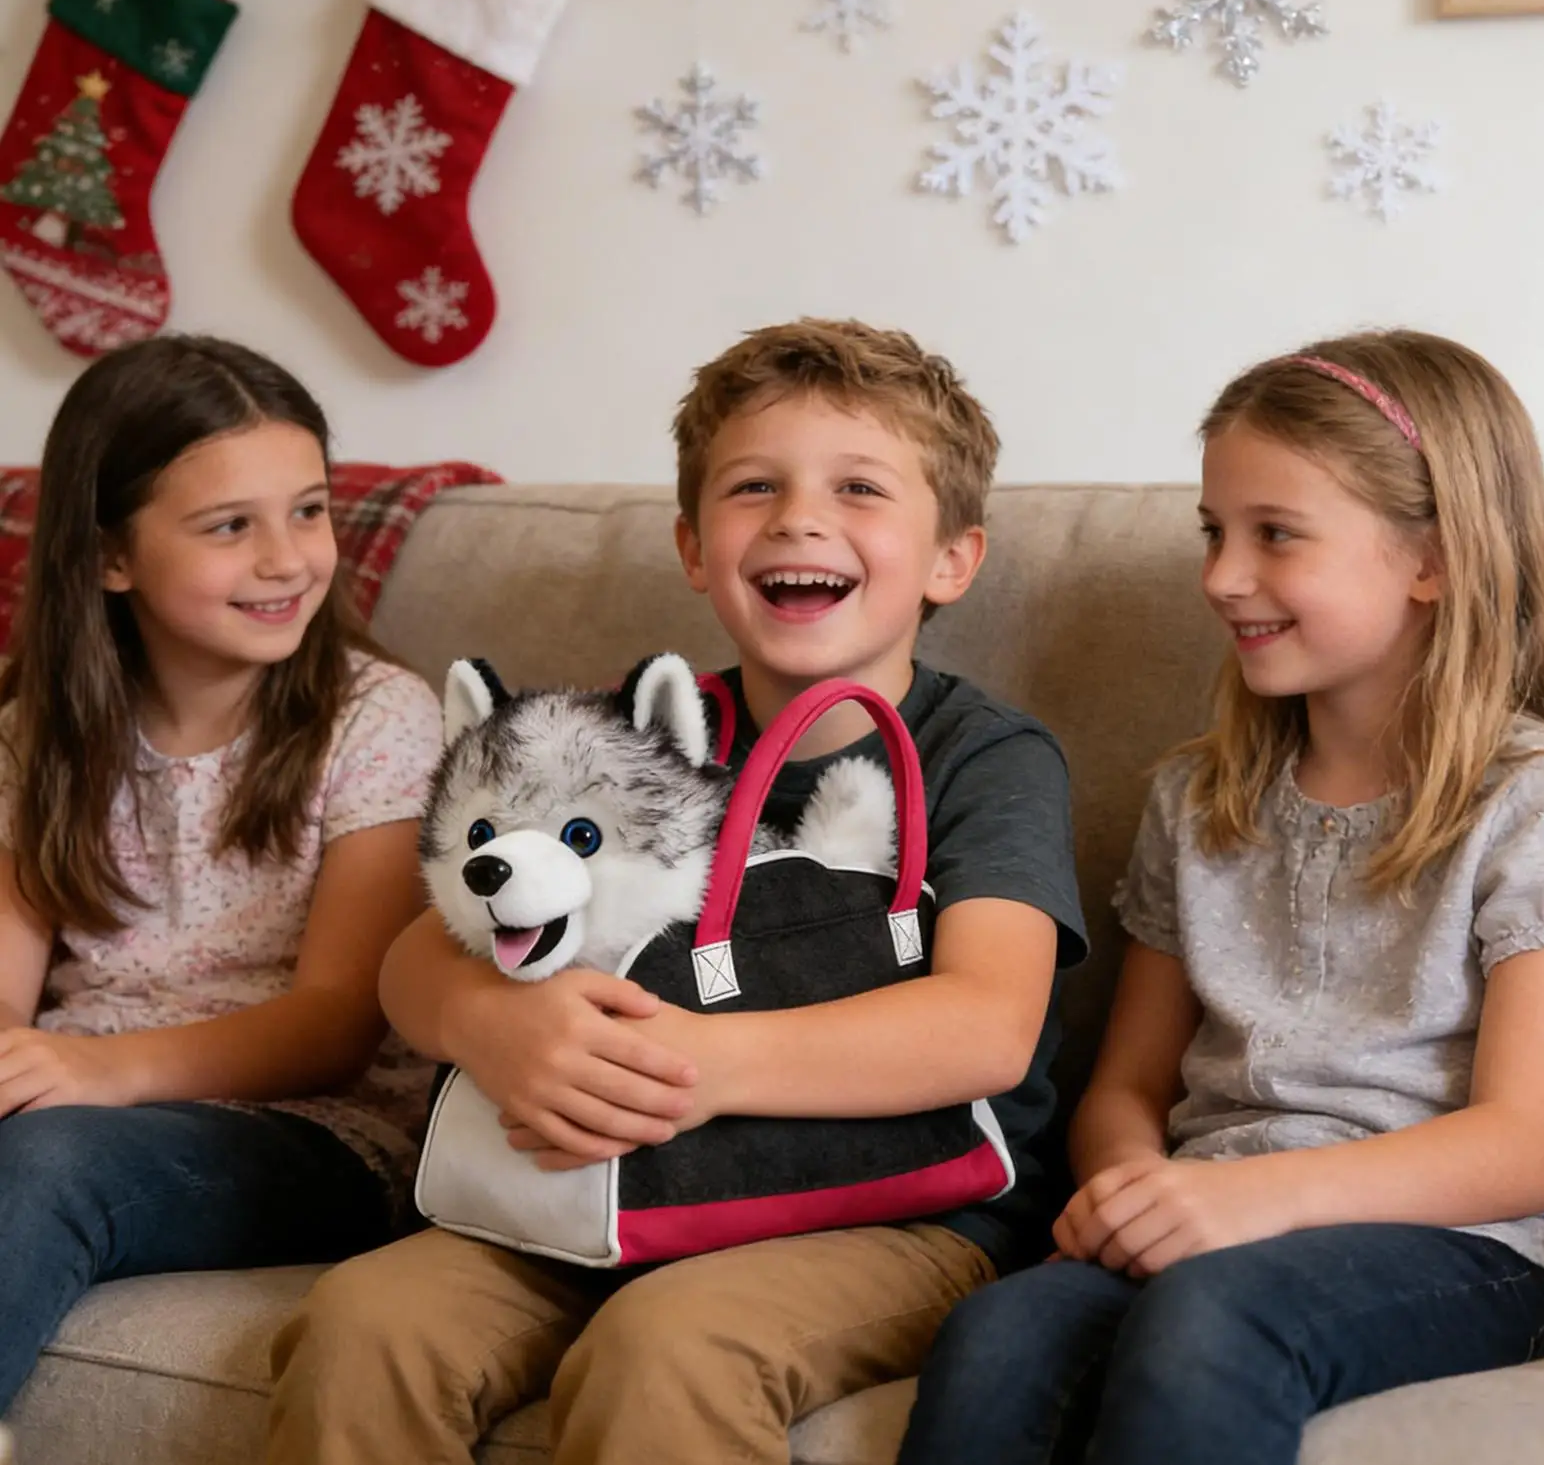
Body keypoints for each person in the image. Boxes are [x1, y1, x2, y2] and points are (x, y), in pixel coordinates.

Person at [264, 318, 1085, 1465]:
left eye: (857, 487)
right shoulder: (623, 732)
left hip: (897, 1213)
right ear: (694, 547)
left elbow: (987, 1026)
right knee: (365, 1323)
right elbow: (418, 949)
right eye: (754, 487)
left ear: (951, 556)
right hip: (600, 1191)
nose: (799, 516)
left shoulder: (982, 754)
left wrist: (691, 1070)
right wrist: (496, 1023)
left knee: (668, 1347)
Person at [897, 332, 1544, 1465]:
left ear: (1431, 556)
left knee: (1206, 1321)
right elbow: (1126, 1082)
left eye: (1274, 533)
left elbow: (1521, 1143)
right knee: (996, 1333)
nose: (1221, 575)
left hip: (1471, 1238)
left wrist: (1255, 1201)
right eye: (1213, 532)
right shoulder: (1198, 796)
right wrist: (1135, 1184)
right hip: (1210, 1211)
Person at [0, 335, 443, 1413]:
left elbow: (337, 1021)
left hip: (310, 1133)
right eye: (229, 526)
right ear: (110, 555)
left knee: (53, 1161)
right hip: (70, 1093)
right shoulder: (36, 736)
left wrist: (96, 1070)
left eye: (308, 509)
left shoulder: (378, 718)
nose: (288, 557)